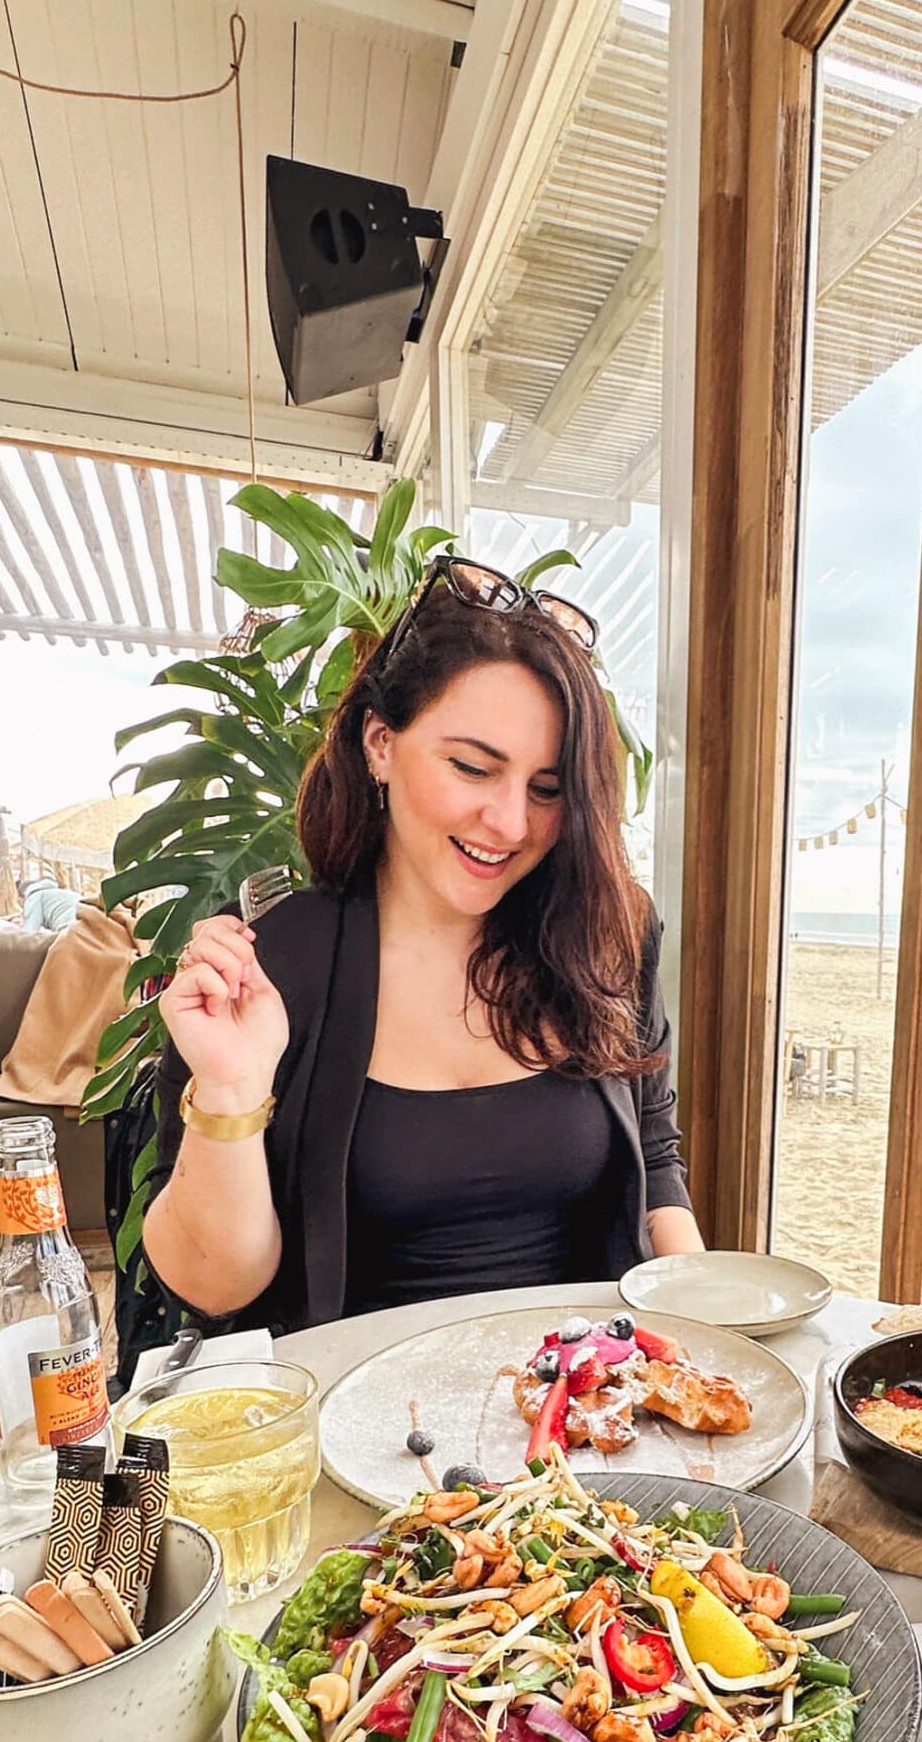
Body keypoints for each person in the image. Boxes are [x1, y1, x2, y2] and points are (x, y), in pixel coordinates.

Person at [143, 566, 704, 1336]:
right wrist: (231, 1089)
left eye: (546, 789)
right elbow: (213, 1288)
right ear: (380, 743)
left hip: (580, 1391)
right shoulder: (270, 965)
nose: (510, 823)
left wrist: (702, 1329)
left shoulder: (606, 938)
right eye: (472, 768)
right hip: (352, 1398)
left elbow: (656, 1160)